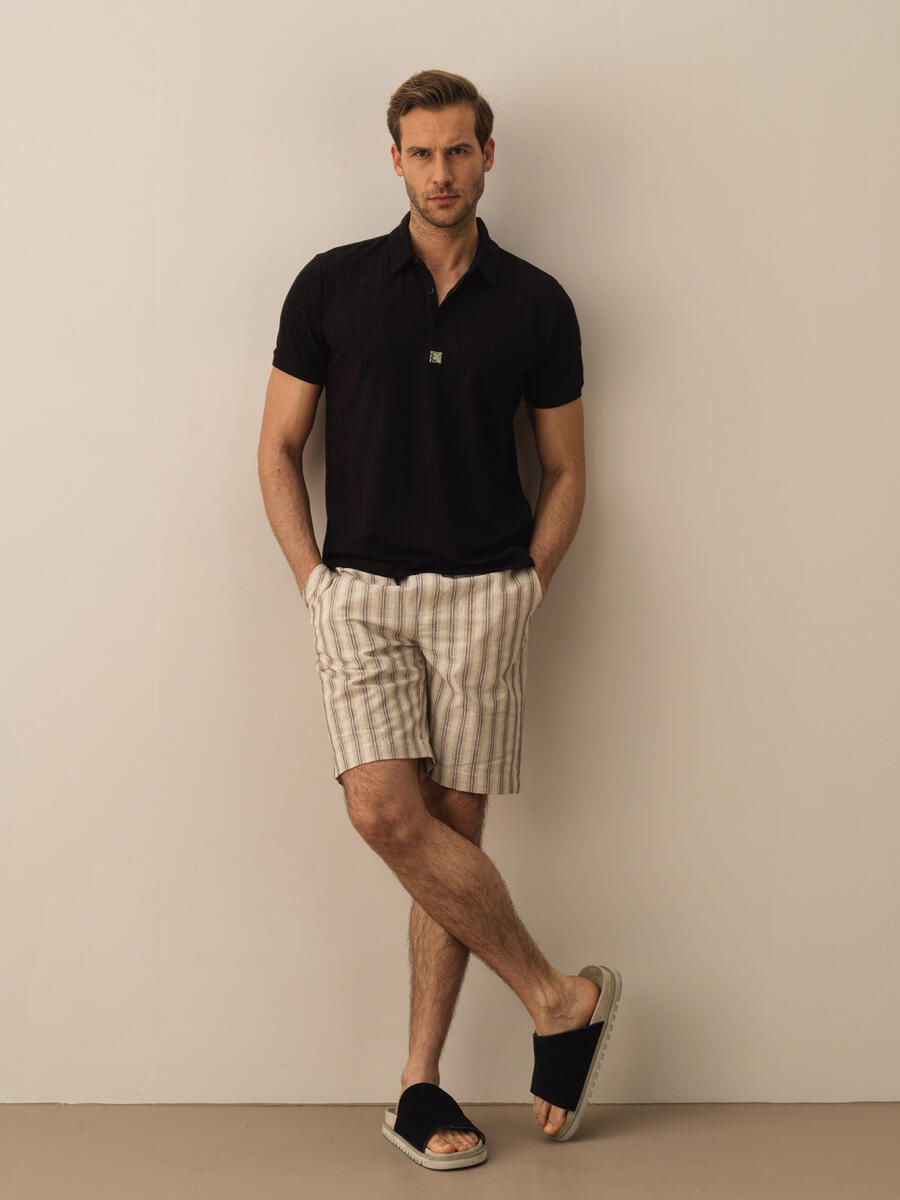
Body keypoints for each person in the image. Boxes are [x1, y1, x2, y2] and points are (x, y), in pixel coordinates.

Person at [257, 68, 621, 1170]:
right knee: (385, 816)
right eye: (421, 153)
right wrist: (315, 580)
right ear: (396, 160)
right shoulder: (330, 284)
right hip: (360, 596)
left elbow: (567, 470)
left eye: (459, 150)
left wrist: (528, 585)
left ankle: (419, 1086)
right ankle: (557, 998)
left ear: (487, 155)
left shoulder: (537, 303)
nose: (441, 172)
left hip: (485, 597)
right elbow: (277, 448)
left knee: (448, 847)